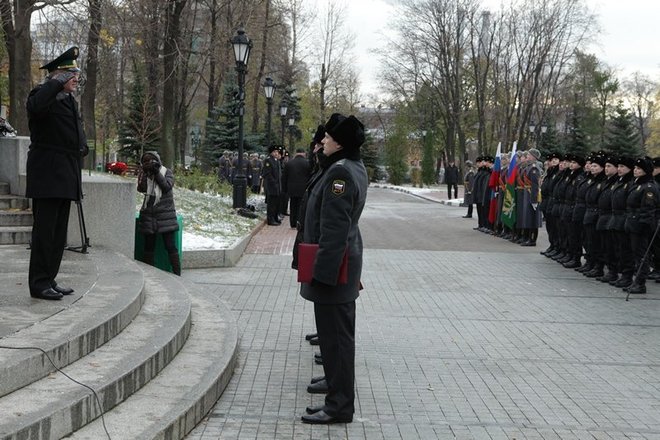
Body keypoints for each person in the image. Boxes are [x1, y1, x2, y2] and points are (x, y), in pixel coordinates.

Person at [299, 114, 368, 425]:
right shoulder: (347, 166)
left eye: (327, 137)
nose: (323, 140)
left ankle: (339, 406)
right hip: (340, 265)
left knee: (337, 340)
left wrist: (322, 275)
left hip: (334, 269)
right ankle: (335, 390)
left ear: (339, 143)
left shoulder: (340, 173)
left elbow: (335, 230)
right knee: (333, 338)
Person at [26, 46, 89, 300]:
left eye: (75, 73)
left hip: (66, 175)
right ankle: (38, 283)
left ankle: (49, 278)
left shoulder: (68, 100)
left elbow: (75, 129)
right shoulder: (41, 95)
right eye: (70, 74)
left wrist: (82, 146)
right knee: (45, 233)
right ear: (58, 75)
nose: (75, 78)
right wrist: (54, 83)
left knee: (58, 234)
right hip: (48, 175)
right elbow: (36, 108)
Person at [137, 151, 181, 275]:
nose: (148, 163)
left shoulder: (166, 172)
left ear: (157, 161)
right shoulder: (145, 173)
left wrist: (156, 173)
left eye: (151, 161)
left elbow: (166, 187)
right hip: (149, 215)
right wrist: (145, 173)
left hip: (165, 214)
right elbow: (141, 188)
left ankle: (177, 273)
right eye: (145, 162)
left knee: (170, 246)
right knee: (149, 247)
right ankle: (149, 274)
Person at [282, 148, 311, 229]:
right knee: (301, 206)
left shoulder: (289, 163)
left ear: (296, 153)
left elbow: (284, 177)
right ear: (304, 153)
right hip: (303, 189)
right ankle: (299, 222)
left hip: (292, 189)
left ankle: (293, 223)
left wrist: (284, 189)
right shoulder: (307, 163)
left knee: (292, 205)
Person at [262, 145, 282, 225]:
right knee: (271, 204)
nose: (276, 153)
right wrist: (274, 183)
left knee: (276, 203)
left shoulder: (276, 161)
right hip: (271, 186)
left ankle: (275, 217)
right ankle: (271, 219)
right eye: (274, 152)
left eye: (277, 152)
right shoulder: (268, 161)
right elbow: (268, 174)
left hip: (277, 186)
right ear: (271, 152)